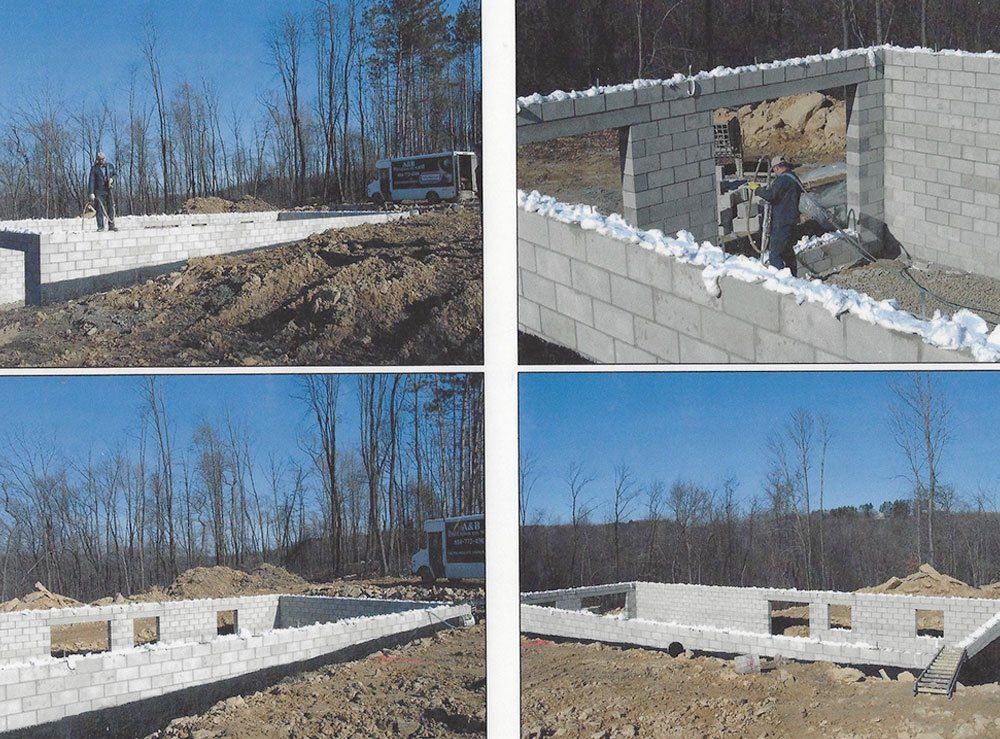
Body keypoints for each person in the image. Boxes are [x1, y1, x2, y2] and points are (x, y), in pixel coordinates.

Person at [749, 155, 802, 276]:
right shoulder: (793, 177)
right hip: (792, 221)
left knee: (775, 255)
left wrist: (757, 189)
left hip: (781, 222)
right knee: (788, 252)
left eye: (774, 170)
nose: (774, 173)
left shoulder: (782, 180)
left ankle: (780, 282)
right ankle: (794, 278)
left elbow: (771, 195)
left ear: (777, 168)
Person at [87, 152, 118, 232]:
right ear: (98, 160)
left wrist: (112, 179)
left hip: (108, 190)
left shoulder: (110, 166)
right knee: (99, 209)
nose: (102, 161)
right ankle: (100, 226)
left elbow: (115, 175)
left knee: (111, 207)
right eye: (101, 160)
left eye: (103, 159)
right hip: (99, 191)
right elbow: (91, 181)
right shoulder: (94, 169)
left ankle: (111, 225)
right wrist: (91, 192)